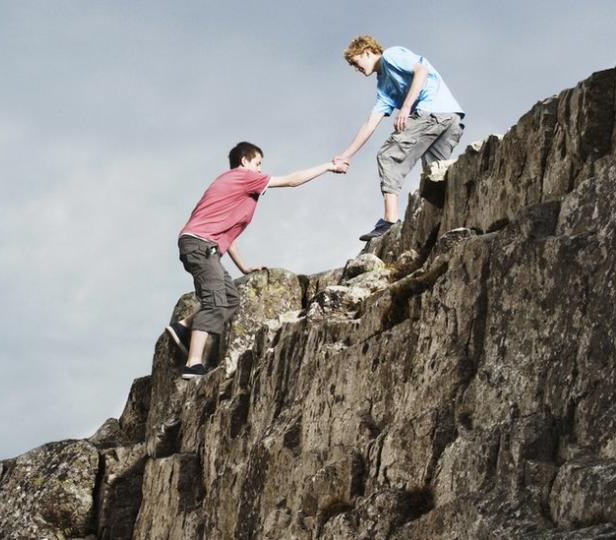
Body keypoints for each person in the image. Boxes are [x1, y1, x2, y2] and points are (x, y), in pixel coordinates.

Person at [167, 142, 344, 379]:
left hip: (201, 244)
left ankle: (183, 326)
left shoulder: (233, 187)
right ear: (244, 161)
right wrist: (328, 167)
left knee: (229, 298)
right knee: (216, 301)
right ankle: (193, 363)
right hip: (200, 244)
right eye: (258, 164)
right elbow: (292, 180)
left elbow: (227, 235)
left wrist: (243, 267)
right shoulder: (242, 177)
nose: (260, 170)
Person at [333, 35, 465, 241]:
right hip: (451, 118)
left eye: (355, 62)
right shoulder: (383, 86)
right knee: (436, 177)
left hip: (431, 112)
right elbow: (371, 123)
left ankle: (389, 221)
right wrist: (345, 156)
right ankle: (453, 225)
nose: (355, 69)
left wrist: (405, 107)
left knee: (388, 155)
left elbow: (421, 71)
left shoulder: (391, 56)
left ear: (367, 51)